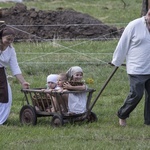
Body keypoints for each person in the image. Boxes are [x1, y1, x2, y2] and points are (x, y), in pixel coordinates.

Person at [111, 9, 150, 126]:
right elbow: (123, 43)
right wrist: (117, 61)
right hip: (137, 68)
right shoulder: (134, 25)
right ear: (148, 15)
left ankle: (148, 121)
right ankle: (122, 114)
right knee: (136, 94)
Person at [0, 27, 30, 125]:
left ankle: (0, 120)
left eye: (12, 40)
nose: (9, 41)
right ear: (1, 37)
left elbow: (15, 67)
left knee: (6, 97)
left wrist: (23, 82)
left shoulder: (11, 50)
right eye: (8, 39)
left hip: (1, 74)